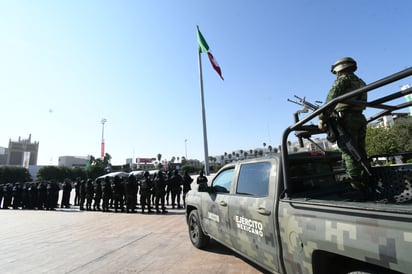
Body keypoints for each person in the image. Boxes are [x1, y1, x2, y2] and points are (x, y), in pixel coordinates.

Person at [318, 57, 369, 191]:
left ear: (339, 69)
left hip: (347, 118)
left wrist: (322, 118)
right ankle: (366, 180)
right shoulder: (361, 82)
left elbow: (331, 99)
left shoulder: (343, 80)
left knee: (348, 151)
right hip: (360, 118)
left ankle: (356, 185)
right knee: (360, 151)